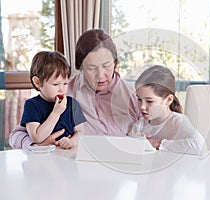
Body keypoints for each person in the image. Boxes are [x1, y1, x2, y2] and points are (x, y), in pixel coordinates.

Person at [9, 29, 141, 149]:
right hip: (71, 169)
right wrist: (37, 144)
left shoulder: (135, 96)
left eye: (106, 66)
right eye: (91, 68)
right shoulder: (64, 90)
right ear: (81, 67)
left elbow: (152, 136)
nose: (100, 75)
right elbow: (16, 135)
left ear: (115, 63)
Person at [128, 65, 207, 155]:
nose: (142, 106)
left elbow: (200, 146)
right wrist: (134, 143)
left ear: (168, 100)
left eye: (149, 101)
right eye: (139, 99)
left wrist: (155, 143)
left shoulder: (178, 121)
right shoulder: (139, 126)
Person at [20, 51, 86, 149]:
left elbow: (81, 132)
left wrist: (71, 141)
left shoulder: (73, 104)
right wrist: (56, 113)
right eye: (55, 84)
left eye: (65, 83)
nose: (61, 89)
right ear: (37, 82)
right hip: (43, 158)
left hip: (68, 155)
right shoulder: (31, 105)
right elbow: (37, 138)